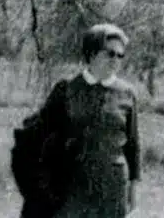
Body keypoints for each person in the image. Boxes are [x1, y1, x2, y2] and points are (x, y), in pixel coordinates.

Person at [38, 23, 142, 217]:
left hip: (113, 188)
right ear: (92, 53)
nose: (116, 60)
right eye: (110, 53)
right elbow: (43, 139)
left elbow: (133, 146)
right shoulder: (66, 89)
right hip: (73, 187)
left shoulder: (127, 93)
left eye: (120, 55)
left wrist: (133, 195)